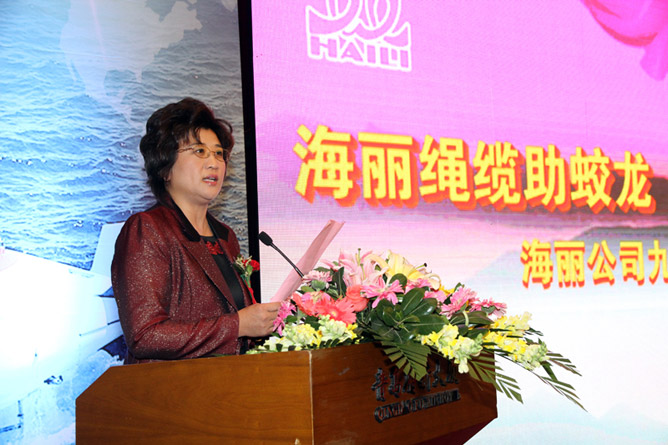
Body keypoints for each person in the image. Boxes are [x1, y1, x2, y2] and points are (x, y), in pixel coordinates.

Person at [111, 98, 280, 363]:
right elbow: (144, 335)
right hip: (171, 386)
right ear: (165, 167)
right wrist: (238, 325)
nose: (214, 163)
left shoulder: (225, 236)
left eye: (219, 154)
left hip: (229, 382)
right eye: (200, 151)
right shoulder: (148, 230)